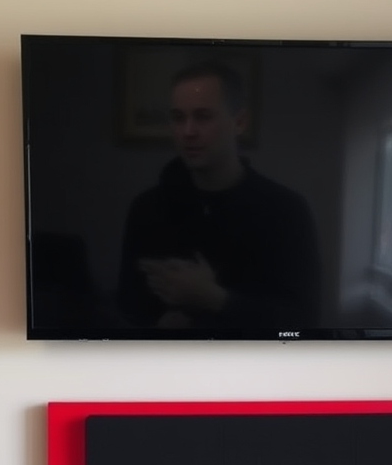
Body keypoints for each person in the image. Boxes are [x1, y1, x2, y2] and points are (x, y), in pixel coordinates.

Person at [117, 60, 321, 332]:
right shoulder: (146, 209)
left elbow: (303, 320)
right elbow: (127, 301)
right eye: (178, 118)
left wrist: (217, 299)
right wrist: (155, 324)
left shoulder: (285, 210)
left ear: (239, 121)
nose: (188, 131)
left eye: (203, 116)